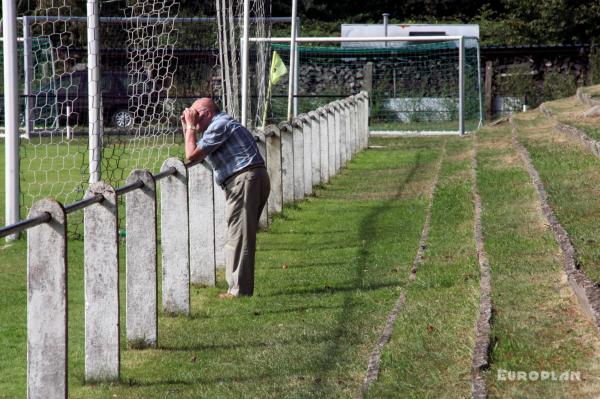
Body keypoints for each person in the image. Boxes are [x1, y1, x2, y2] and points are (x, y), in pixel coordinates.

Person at [181, 98, 270, 298]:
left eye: (195, 114)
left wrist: (190, 127)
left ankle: (238, 291)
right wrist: (188, 126)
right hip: (250, 179)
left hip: (244, 180)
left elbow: (191, 155)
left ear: (207, 113)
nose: (192, 118)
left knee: (239, 237)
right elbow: (193, 150)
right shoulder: (223, 123)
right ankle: (236, 288)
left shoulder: (219, 125)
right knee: (238, 235)